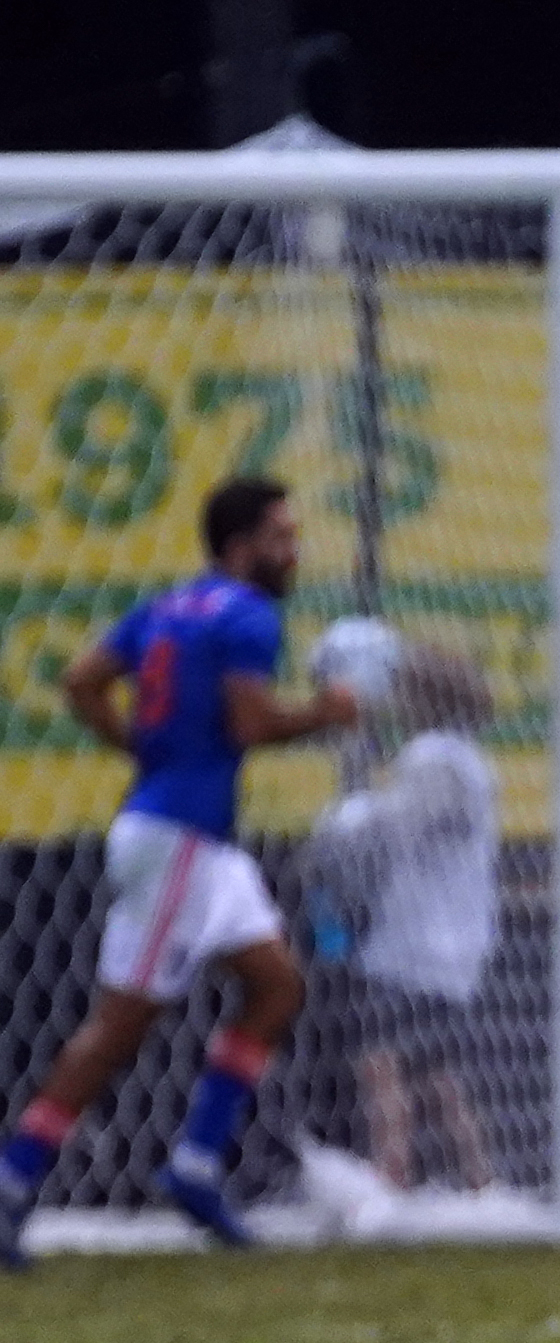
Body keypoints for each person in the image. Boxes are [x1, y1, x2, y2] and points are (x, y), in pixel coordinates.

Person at [0, 477, 357, 1263]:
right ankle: (13, 1179)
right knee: (122, 1023)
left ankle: (195, 1167)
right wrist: (324, 716)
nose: (294, 551)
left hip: (197, 838)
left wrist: (137, 747)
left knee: (276, 983)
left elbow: (81, 679)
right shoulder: (250, 616)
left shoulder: (169, 606)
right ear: (240, 548)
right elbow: (252, 722)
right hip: (179, 838)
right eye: (281, 537)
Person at [310, 644, 502, 1192]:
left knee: (381, 1062)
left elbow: (399, 829)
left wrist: (347, 819)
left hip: (417, 942)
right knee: (437, 1073)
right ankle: (480, 1180)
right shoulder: (467, 759)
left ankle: (390, 1178)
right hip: (451, 943)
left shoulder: (435, 758)